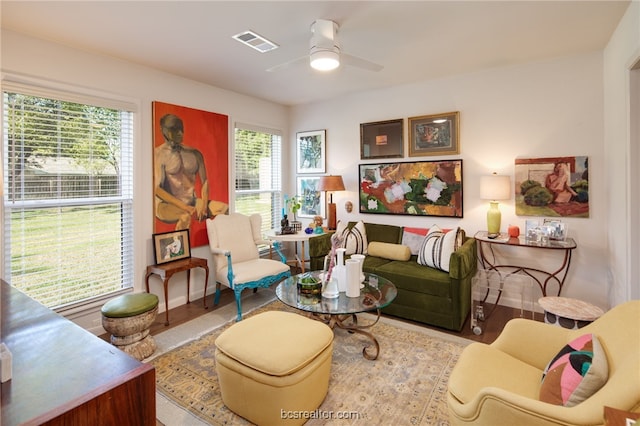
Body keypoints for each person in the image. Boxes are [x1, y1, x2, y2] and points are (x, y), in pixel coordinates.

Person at [154, 114, 228, 230]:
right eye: (174, 129)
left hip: (191, 201)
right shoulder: (158, 154)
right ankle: (178, 248)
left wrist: (203, 205)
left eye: (181, 128)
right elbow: (157, 190)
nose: (179, 133)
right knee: (185, 217)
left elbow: (205, 182)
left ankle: (220, 247)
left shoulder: (195, 154)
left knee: (224, 209)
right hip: (165, 206)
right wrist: (185, 208)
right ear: (163, 130)